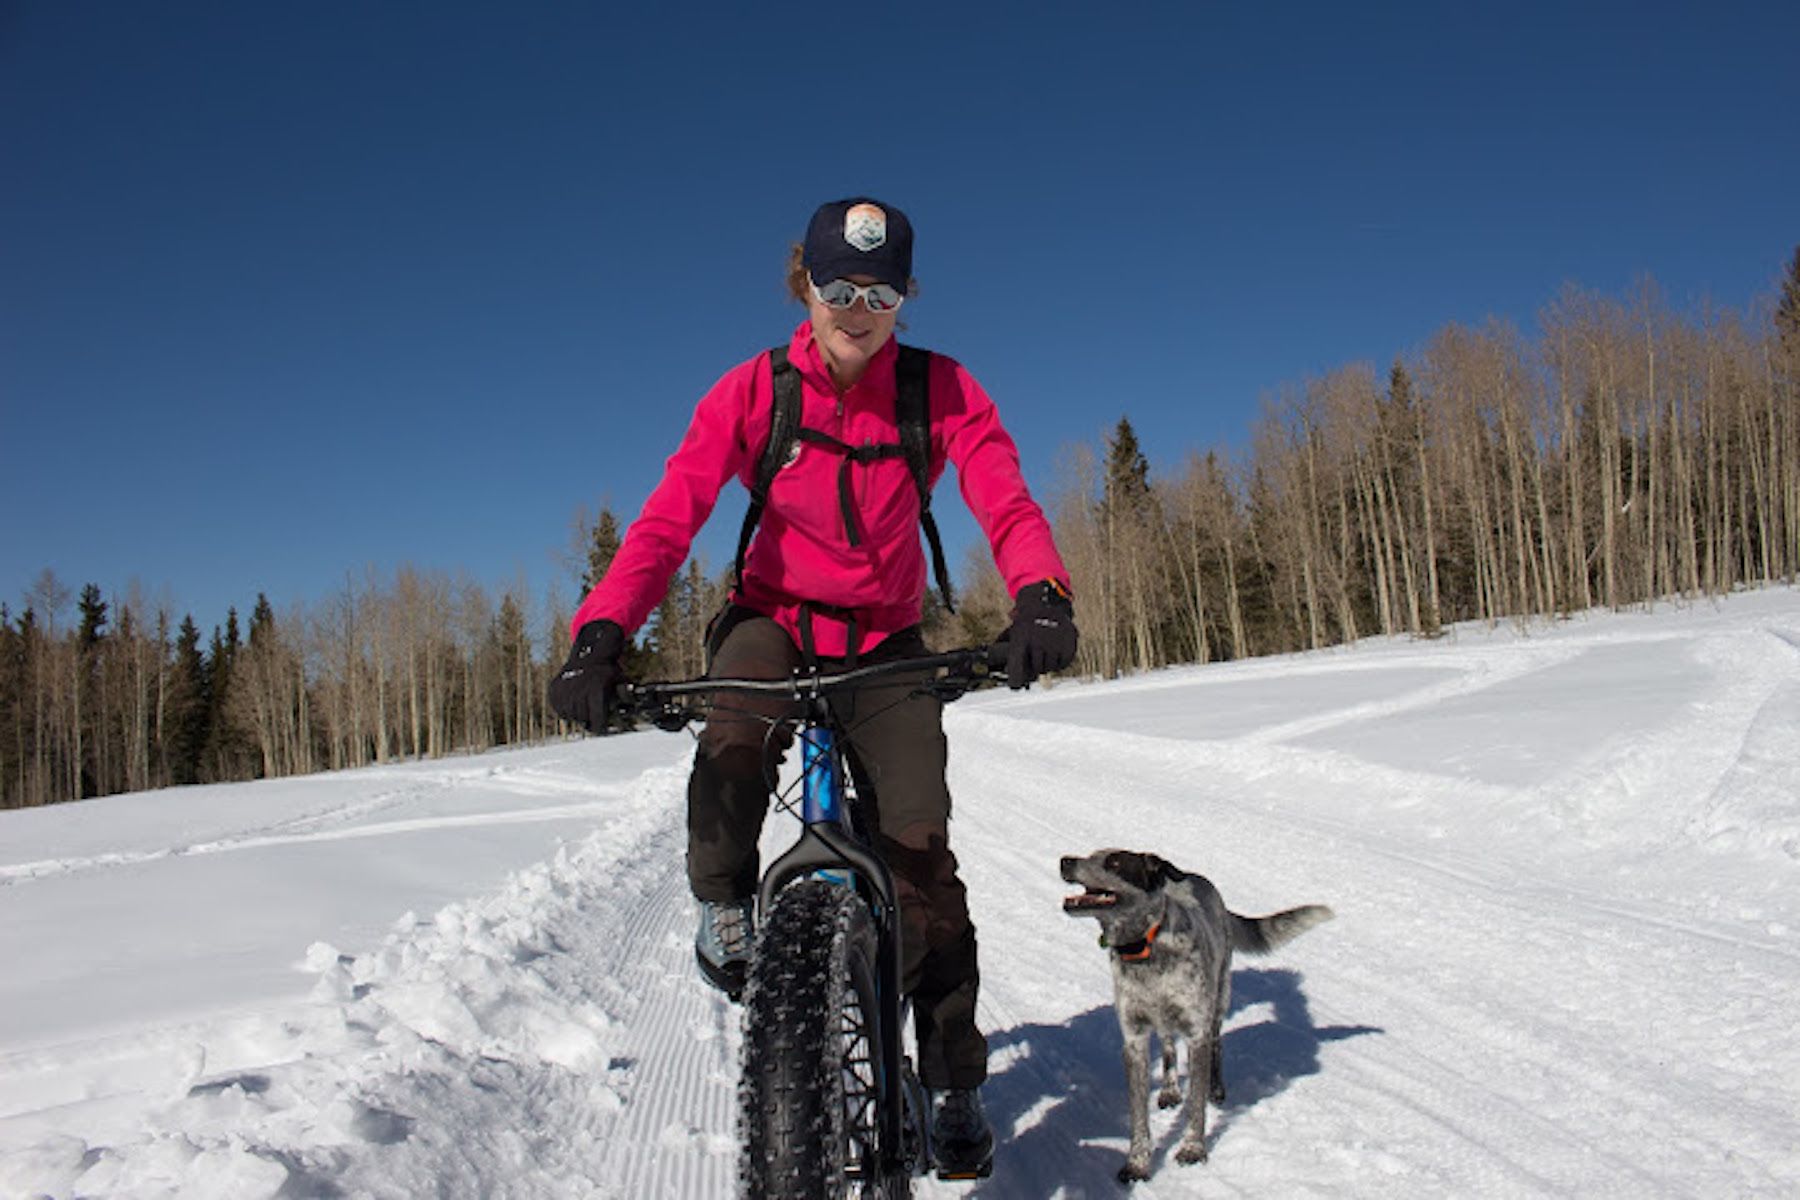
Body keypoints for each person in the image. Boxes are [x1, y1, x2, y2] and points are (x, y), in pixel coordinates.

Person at [548, 196, 1077, 1179]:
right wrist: (602, 631)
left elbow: (1001, 492)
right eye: (838, 287)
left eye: (879, 291)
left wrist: (1041, 593)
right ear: (806, 285)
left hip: (884, 642)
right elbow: (673, 513)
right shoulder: (755, 391)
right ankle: (723, 900)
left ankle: (954, 1077)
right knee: (733, 741)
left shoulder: (939, 390)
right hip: (771, 622)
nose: (857, 309)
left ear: (903, 298)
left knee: (920, 851)